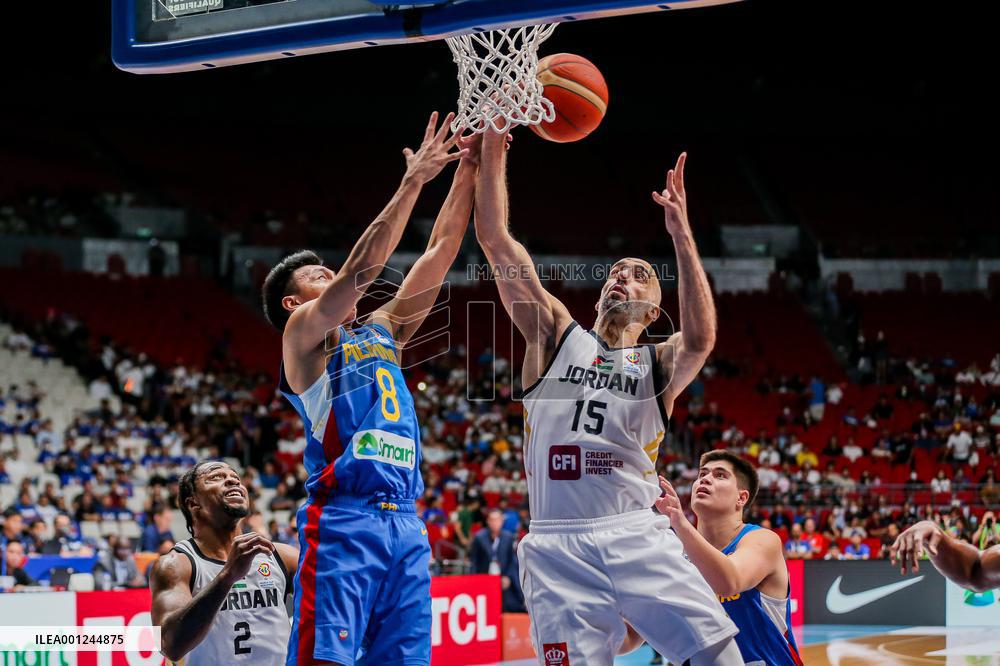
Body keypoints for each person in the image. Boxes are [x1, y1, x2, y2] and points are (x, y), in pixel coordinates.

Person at [474, 131, 739, 665]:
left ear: (654, 309)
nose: (623, 277)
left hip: (637, 531)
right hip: (555, 544)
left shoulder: (657, 364)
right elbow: (496, 239)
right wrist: (495, 149)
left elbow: (702, 338)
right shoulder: (554, 336)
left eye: (640, 277)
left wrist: (682, 235)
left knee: (720, 656)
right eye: (617, 273)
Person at [262, 112, 475, 666]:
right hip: (344, 521)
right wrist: (413, 181)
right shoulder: (303, 336)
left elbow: (441, 250)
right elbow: (364, 268)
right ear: (294, 303)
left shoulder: (382, 331)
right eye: (317, 277)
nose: (331, 277)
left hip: (406, 523)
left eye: (329, 270)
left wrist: (470, 166)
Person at [643, 451, 802, 666]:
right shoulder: (674, 552)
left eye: (720, 475)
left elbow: (729, 582)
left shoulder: (763, 540)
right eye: (702, 474)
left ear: (741, 497)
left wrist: (680, 524)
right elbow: (632, 636)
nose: (705, 479)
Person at [150, 461, 297, 665]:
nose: (232, 480)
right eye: (216, 477)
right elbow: (169, 646)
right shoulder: (176, 565)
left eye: (235, 478)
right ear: (193, 504)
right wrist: (227, 577)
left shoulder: (282, 556)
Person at [469, 508, 524, 612]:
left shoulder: (508, 537)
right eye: (492, 520)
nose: (495, 523)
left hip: (502, 577)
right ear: (488, 521)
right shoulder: (479, 538)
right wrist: (474, 581)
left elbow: (511, 561)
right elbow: (475, 562)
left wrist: (507, 576)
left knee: (509, 601)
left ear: (502, 521)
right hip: (485, 577)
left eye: (498, 520)